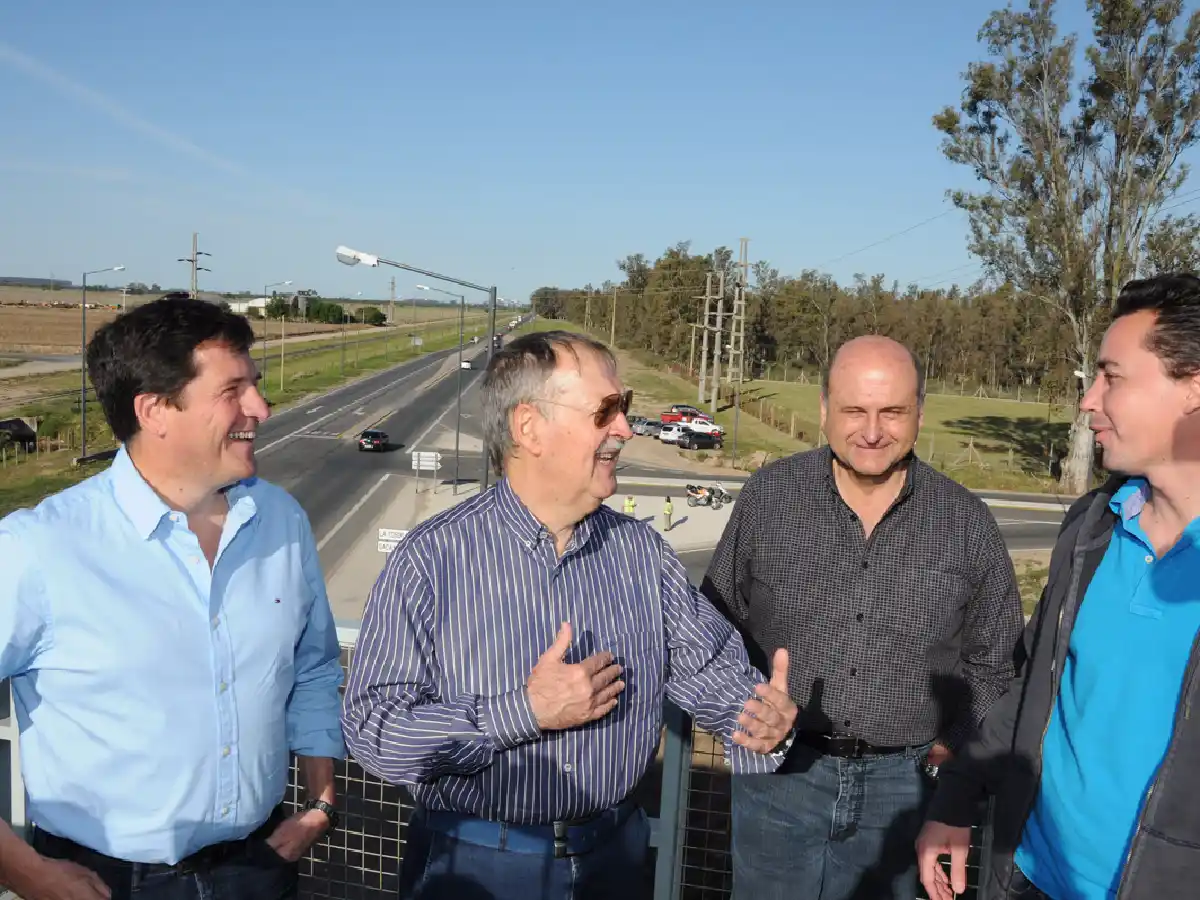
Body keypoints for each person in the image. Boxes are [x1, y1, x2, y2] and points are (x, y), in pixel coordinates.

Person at [341, 329, 798, 900]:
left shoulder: (641, 553)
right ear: (529, 428)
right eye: (606, 411)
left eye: (625, 409)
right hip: (476, 867)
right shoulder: (432, 559)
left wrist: (761, 720)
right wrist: (523, 712)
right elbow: (372, 732)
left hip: (613, 860)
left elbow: (713, 675)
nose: (626, 430)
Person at [0, 296, 345, 900]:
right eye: (232, 390)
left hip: (259, 867)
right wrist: (21, 870)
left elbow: (313, 666)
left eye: (255, 386)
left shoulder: (281, 521)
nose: (260, 408)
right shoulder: (39, 549)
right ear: (155, 410)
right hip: (103, 882)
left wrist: (319, 801)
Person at [702, 334, 1024, 900]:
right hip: (779, 779)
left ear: (920, 412)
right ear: (825, 411)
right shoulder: (768, 499)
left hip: (907, 788)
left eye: (892, 412)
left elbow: (993, 664)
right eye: (854, 410)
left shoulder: (967, 524)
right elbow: (710, 625)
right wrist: (742, 709)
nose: (872, 431)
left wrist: (953, 751)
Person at [918, 273, 1200, 900]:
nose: (1088, 399)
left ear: (1193, 389)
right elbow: (1034, 681)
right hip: (1029, 878)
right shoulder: (1092, 528)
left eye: (1112, 377)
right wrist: (957, 796)